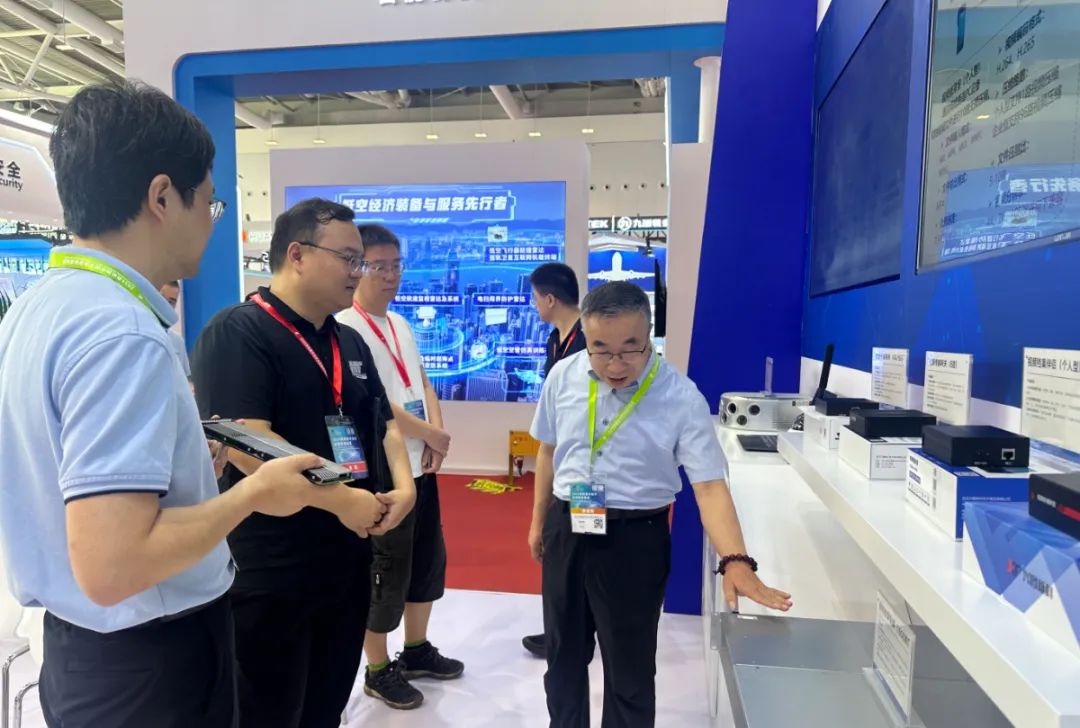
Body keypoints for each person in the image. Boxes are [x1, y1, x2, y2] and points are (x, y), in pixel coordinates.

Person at [0, 80, 344, 728]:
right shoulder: (122, 331)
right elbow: (114, 565)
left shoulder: (39, 308)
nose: (212, 223)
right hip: (149, 664)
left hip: (84, 654)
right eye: (208, 203)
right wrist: (253, 493)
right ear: (162, 197)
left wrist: (183, 465)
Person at [191, 198, 417, 728]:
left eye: (362, 261)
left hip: (346, 560)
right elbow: (249, 443)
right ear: (296, 254)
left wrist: (405, 488)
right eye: (349, 258)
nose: (358, 272)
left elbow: (384, 423)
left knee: (325, 706)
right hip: (273, 571)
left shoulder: (347, 340)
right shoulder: (239, 331)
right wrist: (341, 501)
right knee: (268, 712)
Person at [529, 281, 792, 727]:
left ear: (649, 335)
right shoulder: (563, 377)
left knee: (629, 670)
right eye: (600, 349)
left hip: (635, 540)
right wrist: (539, 523)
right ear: (586, 336)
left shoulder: (681, 397)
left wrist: (736, 560)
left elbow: (709, 487)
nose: (615, 365)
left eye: (629, 349)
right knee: (563, 658)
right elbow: (547, 451)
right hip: (568, 526)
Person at [337, 223, 463, 710]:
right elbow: (375, 403)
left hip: (420, 465)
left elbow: (423, 382)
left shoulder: (401, 324)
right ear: (357, 266)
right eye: (378, 266)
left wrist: (436, 432)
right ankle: (376, 669)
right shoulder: (346, 328)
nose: (390, 276)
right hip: (384, 468)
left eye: (396, 266)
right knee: (385, 571)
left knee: (426, 562)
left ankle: (415, 649)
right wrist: (428, 432)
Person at [523, 262, 587, 658]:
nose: (534, 306)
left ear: (549, 299)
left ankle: (575, 634)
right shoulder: (554, 340)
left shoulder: (588, 341)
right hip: (559, 458)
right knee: (561, 551)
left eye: (535, 298)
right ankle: (563, 632)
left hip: (586, 469)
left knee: (583, 550)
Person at [159, 280, 192, 380]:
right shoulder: (134, 335)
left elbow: (185, 380)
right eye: (161, 299)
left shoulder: (177, 341)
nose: (165, 305)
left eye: (171, 302)